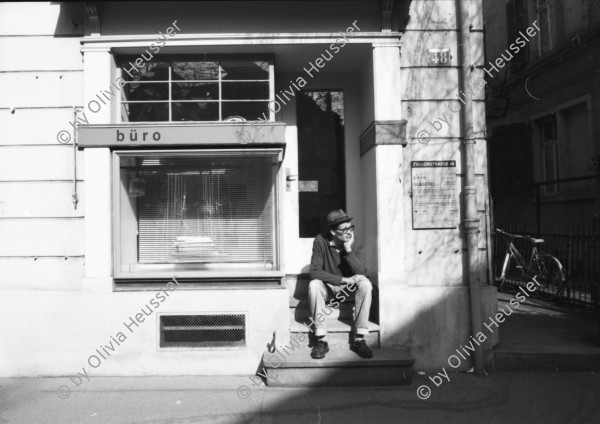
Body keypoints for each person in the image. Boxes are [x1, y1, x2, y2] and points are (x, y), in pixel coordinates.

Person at [308, 209, 373, 359]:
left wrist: (348, 249)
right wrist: (343, 280)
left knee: (366, 284)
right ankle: (321, 340)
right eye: (343, 229)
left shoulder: (353, 241)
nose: (348, 232)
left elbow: (363, 272)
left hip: (350, 290)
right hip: (329, 287)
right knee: (314, 285)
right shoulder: (320, 241)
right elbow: (315, 272)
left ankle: (360, 339)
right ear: (332, 231)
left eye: (350, 228)